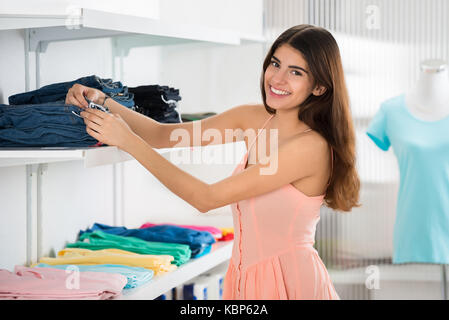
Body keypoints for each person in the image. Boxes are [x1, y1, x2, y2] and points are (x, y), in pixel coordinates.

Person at [66, 24, 360, 300]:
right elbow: (162, 134)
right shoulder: (253, 118)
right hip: (243, 279)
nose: (278, 79)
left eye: (296, 72)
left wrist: (128, 142)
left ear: (319, 87)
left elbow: (207, 198)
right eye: (275, 63)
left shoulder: (311, 147)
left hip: (290, 282)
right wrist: (103, 101)